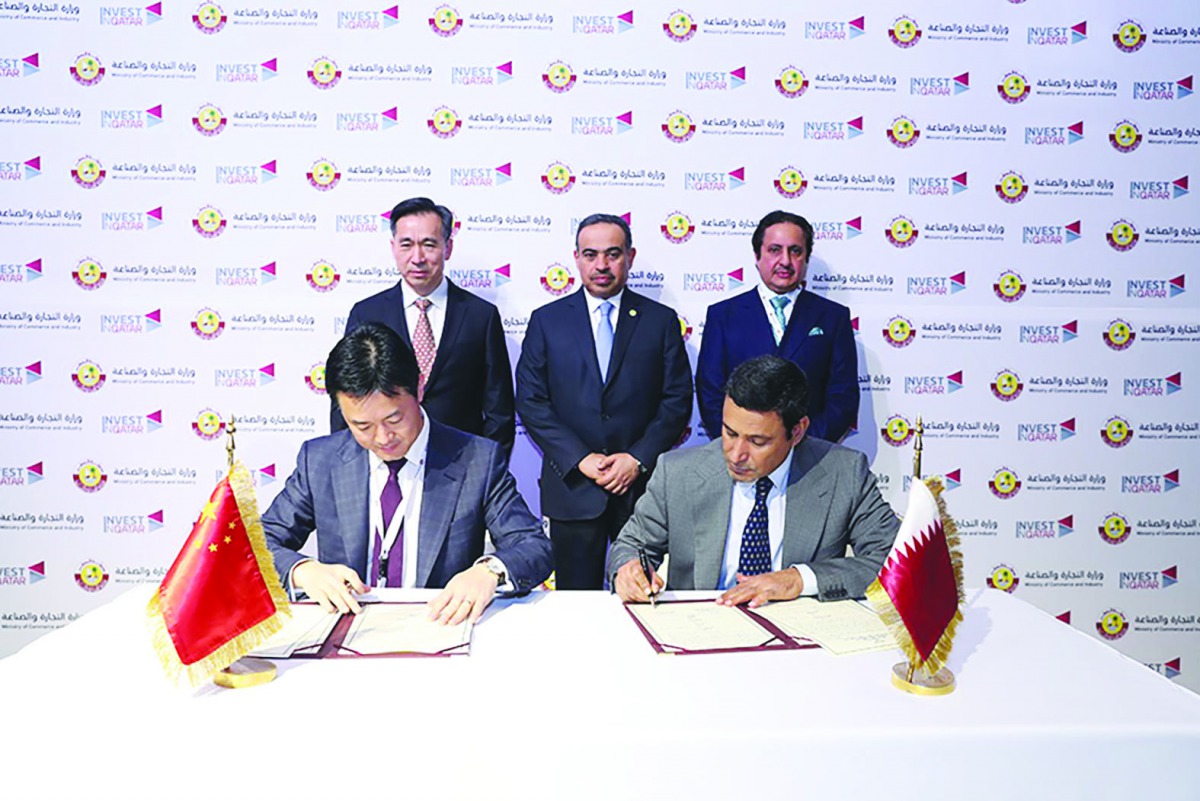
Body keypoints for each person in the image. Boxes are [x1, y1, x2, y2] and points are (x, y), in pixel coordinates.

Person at [265, 323, 553, 624]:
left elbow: (534, 546)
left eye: (394, 419)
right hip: (346, 631)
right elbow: (257, 543)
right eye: (362, 426)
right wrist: (301, 571)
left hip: (438, 629)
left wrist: (489, 571)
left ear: (419, 387)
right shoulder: (320, 461)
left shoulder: (476, 460)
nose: (382, 438)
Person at [610, 355, 897, 606]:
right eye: (730, 433)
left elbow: (897, 561)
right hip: (701, 632)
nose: (736, 455)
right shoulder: (678, 472)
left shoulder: (844, 473)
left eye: (758, 441)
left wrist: (800, 579)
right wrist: (629, 569)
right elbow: (632, 545)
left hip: (799, 635)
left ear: (797, 432)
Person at [515, 214, 692, 590]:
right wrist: (580, 459)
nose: (601, 265)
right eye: (591, 254)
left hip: (641, 492)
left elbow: (676, 401)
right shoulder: (547, 321)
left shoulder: (660, 321)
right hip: (572, 488)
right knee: (575, 606)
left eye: (612, 254)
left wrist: (636, 458)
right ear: (576, 258)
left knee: (644, 597)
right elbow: (531, 401)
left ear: (630, 256)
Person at [334, 197, 515, 458]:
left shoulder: (480, 316)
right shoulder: (367, 313)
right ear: (393, 247)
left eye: (429, 244)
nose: (417, 257)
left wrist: (488, 470)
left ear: (448, 248)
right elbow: (345, 395)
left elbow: (500, 410)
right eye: (406, 245)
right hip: (382, 458)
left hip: (459, 463)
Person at [696, 210, 858, 443]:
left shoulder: (833, 317)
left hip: (809, 459)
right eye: (774, 250)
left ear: (806, 258)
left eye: (795, 251)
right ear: (757, 255)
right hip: (742, 456)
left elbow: (842, 397)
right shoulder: (723, 315)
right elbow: (710, 393)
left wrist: (802, 446)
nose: (785, 261)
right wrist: (745, 445)